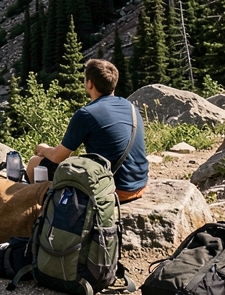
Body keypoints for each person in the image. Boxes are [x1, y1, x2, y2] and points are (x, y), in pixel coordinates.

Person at [25, 58, 148, 202]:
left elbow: (59, 157)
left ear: (89, 83)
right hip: (139, 185)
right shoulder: (132, 107)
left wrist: (43, 149)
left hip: (112, 189)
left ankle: (37, 214)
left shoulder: (86, 114)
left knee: (35, 162)